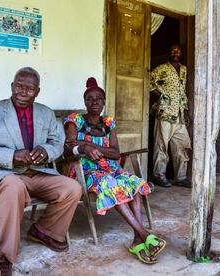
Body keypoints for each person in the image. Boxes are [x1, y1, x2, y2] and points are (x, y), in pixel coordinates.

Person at [0, 67, 82, 275]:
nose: (23, 91)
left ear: (37, 92)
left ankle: (44, 231)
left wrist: (46, 152)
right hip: (6, 175)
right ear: (12, 86)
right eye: (19, 86)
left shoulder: (45, 113)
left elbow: (57, 142)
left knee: (72, 188)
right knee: (14, 187)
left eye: (29, 88)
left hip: (39, 172)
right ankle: (4, 256)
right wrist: (11, 156)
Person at [63, 77, 166, 264]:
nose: (94, 102)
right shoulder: (75, 120)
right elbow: (68, 148)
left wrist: (86, 143)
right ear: (85, 102)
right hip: (84, 171)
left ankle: (137, 239)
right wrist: (85, 149)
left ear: (104, 101)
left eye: (99, 98)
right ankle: (144, 233)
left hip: (111, 168)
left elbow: (115, 153)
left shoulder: (109, 122)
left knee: (133, 183)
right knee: (111, 185)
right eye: (90, 99)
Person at [150, 44, 192, 188]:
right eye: (173, 50)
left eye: (178, 50)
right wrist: (161, 95)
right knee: (161, 146)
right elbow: (149, 82)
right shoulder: (161, 69)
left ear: (181, 53)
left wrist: (185, 112)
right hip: (165, 113)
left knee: (182, 145)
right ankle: (158, 175)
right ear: (169, 53)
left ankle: (180, 177)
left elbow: (183, 90)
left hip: (179, 114)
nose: (175, 52)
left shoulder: (184, 70)